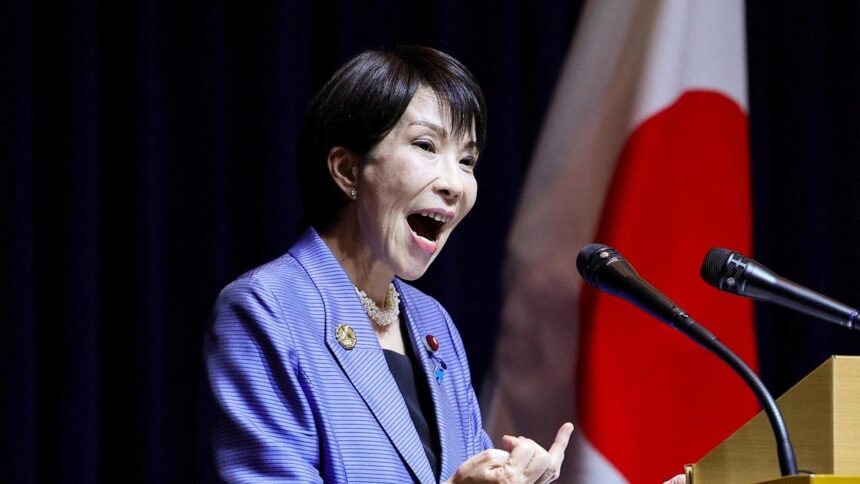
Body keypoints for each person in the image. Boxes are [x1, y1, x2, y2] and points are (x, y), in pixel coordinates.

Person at [204, 45, 574, 483]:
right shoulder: (266, 309)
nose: (455, 184)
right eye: (426, 145)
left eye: (467, 161)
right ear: (347, 169)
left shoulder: (434, 324)